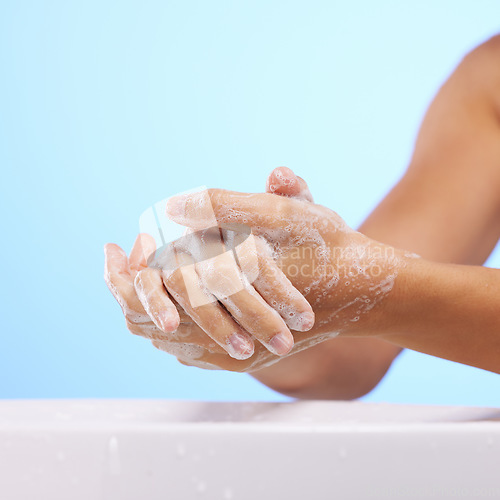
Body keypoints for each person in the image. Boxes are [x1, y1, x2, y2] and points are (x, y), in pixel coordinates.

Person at [105, 35, 500, 400]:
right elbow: (345, 353)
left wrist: (374, 290)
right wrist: (253, 303)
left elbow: (378, 293)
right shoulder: (488, 79)